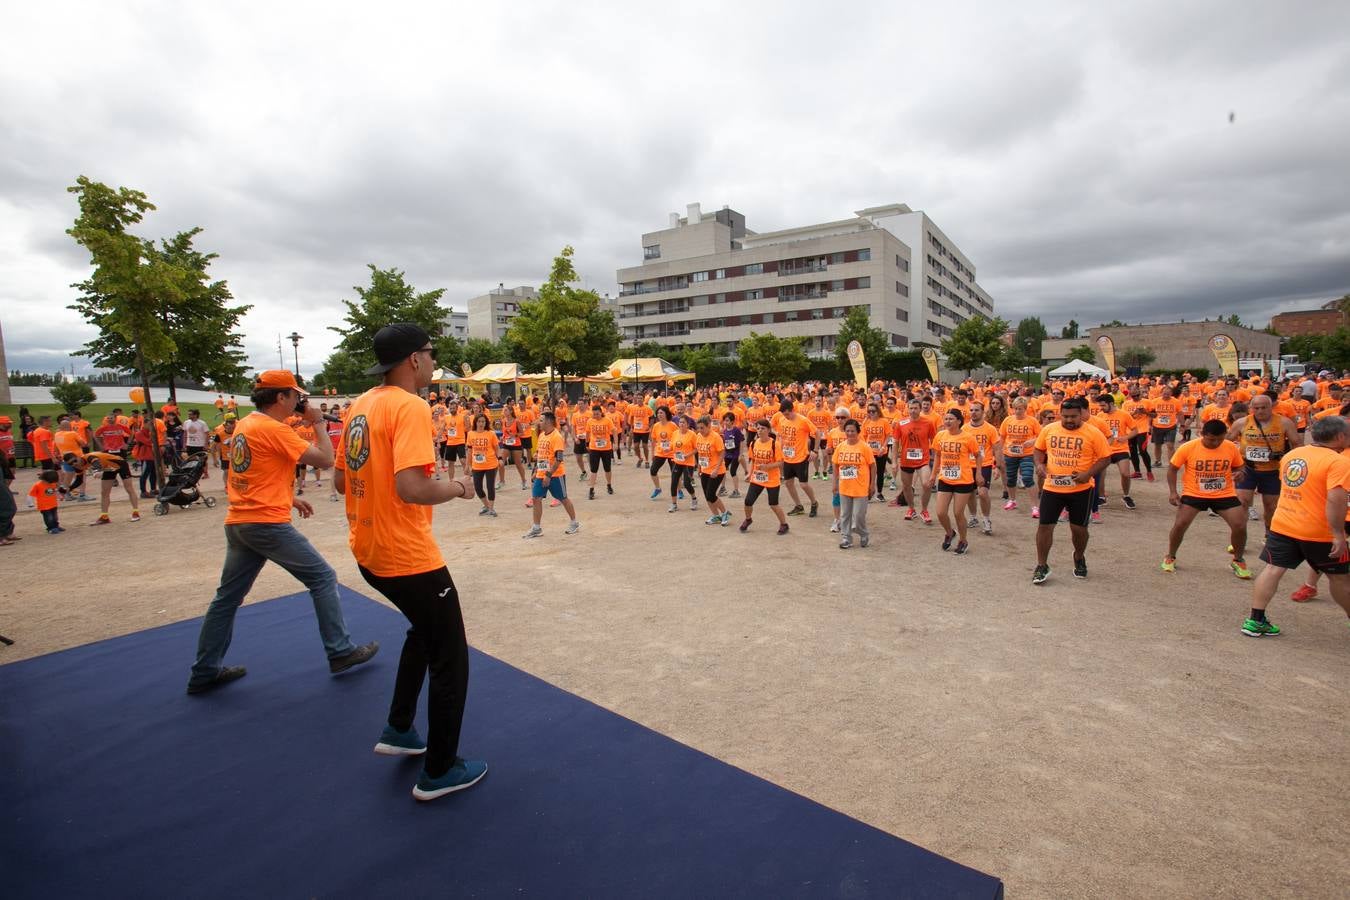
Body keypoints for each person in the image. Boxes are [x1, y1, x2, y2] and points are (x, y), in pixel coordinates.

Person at [332, 323, 487, 800]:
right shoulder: (410, 406)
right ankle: (440, 770)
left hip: (369, 548)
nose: (434, 361)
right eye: (431, 353)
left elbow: (341, 482)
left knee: (423, 633)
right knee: (450, 658)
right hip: (407, 556)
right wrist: (460, 488)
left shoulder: (361, 404)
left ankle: (400, 728)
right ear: (413, 360)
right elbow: (413, 488)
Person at [187, 369, 378, 695]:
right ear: (281, 397)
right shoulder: (275, 429)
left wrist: (287, 496)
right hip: (266, 523)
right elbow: (326, 460)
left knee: (226, 599)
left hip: (240, 521)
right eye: (295, 396)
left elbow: (251, 471)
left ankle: (205, 669)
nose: (299, 401)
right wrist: (318, 422)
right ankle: (340, 650)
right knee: (322, 577)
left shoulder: (248, 424)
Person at [1243, 416, 1350, 637]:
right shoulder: (1338, 462)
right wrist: (1338, 534)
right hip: (1317, 531)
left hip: (1284, 524)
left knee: (1272, 569)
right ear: (1340, 436)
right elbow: (1336, 499)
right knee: (1340, 577)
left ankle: (1255, 620)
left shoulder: (1292, 455)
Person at [1031, 397, 1112, 584]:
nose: (1069, 420)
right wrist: (1039, 465)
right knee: (1044, 526)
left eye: (1073, 416)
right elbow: (1038, 450)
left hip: (1081, 489)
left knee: (1079, 530)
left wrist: (1088, 473)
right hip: (1052, 487)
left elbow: (1105, 458)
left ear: (1082, 414)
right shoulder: (1049, 430)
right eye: (1065, 416)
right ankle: (1042, 565)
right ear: (1060, 414)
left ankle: (1078, 556)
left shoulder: (1093, 433)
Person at [1162, 420, 1250, 578]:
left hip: (1224, 493)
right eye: (1211, 439)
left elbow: (1239, 466)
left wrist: (1240, 473)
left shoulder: (1230, 447)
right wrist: (1173, 492)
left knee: (1240, 525)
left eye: (1220, 439)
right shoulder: (1188, 447)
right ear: (1202, 434)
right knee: (1180, 524)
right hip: (1195, 493)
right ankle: (1170, 556)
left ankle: (1238, 560)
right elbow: (1172, 469)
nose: (1216, 443)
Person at [1227, 393, 1298, 530]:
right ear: (1251, 408)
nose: (1260, 411)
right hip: (1247, 469)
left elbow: (1296, 444)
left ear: (1271, 407)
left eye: (1264, 407)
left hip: (1273, 470)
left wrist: (1290, 465)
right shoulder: (1242, 423)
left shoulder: (1284, 422)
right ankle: (1239, 536)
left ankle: (1269, 535)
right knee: (1242, 502)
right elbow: (1227, 442)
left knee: (1271, 506)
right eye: (1256, 408)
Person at [930, 409, 983, 554]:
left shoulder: (968, 438)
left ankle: (963, 540)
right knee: (940, 512)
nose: (947, 421)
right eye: (946, 418)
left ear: (959, 421)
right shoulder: (940, 436)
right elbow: (938, 457)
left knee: (958, 513)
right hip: (945, 478)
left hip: (963, 480)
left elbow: (978, 456)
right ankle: (949, 532)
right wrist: (933, 475)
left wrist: (978, 473)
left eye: (951, 419)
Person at [523, 411, 580, 538]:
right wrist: (537, 470)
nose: (539, 422)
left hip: (555, 475)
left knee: (563, 499)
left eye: (541, 420)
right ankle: (536, 528)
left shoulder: (557, 437)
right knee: (536, 498)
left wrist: (548, 475)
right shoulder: (542, 435)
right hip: (541, 474)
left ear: (548, 421)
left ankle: (574, 522)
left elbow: (559, 458)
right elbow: (541, 455)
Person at [833, 418, 876, 549]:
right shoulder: (841, 447)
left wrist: (872, 484)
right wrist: (835, 484)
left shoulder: (864, 447)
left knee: (858, 516)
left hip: (860, 488)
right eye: (847, 431)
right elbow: (835, 465)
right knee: (845, 515)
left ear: (858, 432)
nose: (850, 433)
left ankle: (863, 533)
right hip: (845, 487)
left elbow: (873, 466)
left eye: (852, 431)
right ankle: (846, 538)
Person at [740, 419, 789, 535]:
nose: (760, 431)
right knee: (748, 501)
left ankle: (784, 524)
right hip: (757, 478)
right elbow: (753, 460)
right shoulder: (754, 443)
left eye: (763, 428)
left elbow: (780, 462)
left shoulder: (774, 444)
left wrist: (768, 466)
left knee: (773, 504)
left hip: (772, 479)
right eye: (758, 428)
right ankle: (748, 519)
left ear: (768, 430)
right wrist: (750, 473)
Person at [773, 400, 818, 518]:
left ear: (792, 410)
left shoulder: (803, 420)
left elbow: (817, 433)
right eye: (783, 414)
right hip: (787, 457)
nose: (785, 416)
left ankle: (814, 503)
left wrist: (815, 451)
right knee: (788, 483)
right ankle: (799, 506)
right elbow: (782, 436)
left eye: (787, 414)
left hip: (801, 457)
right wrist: (780, 450)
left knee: (803, 484)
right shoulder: (782, 420)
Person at [893, 399, 935, 523]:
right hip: (906, 460)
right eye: (910, 408)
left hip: (923, 459)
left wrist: (937, 456)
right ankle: (911, 509)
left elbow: (935, 441)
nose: (913, 411)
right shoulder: (901, 423)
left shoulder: (928, 422)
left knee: (926, 484)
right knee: (906, 486)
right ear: (907, 409)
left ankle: (924, 510)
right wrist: (894, 462)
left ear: (920, 409)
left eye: (916, 408)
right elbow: (895, 443)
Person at [963, 401, 1001, 535]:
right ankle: (973, 517)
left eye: (976, 410)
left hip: (985, 464)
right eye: (971, 410)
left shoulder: (990, 429)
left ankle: (986, 519)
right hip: (968, 465)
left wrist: (997, 467)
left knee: (983, 493)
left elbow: (997, 448)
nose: (973, 413)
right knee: (969, 493)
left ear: (982, 412)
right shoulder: (965, 428)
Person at [999, 397, 1040, 512]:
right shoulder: (1008, 420)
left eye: (1020, 409)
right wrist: (999, 453)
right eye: (1015, 408)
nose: (1017, 411)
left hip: (1026, 454)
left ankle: (1035, 506)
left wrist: (1032, 441)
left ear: (1025, 409)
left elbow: (1041, 436)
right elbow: (1002, 437)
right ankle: (1012, 500)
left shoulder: (1032, 421)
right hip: (1010, 453)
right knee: (1010, 479)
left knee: (1027, 478)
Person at [694, 416, 730, 525]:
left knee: (711, 494)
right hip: (705, 469)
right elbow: (700, 452)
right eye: (698, 428)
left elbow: (722, 453)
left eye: (702, 428)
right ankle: (716, 515)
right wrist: (699, 467)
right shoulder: (699, 436)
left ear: (709, 426)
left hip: (716, 471)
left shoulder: (715, 437)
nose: (700, 430)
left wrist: (716, 469)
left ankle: (725, 513)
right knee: (707, 495)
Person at [467, 413, 500, 516]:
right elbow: (469, 450)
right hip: (477, 465)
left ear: (486, 423)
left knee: (490, 486)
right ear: (475, 422)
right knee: (477, 487)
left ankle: (491, 508)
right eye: (479, 421)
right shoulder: (470, 434)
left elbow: (496, 448)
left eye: (483, 421)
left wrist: (499, 459)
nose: (481, 423)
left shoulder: (491, 434)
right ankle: (486, 506)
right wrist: (468, 465)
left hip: (491, 464)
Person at [667, 415, 698, 512]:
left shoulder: (692, 435)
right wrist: (667, 448)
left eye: (683, 422)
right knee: (674, 482)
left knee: (687, 483)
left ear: (688, 424)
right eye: (680, 422)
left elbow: (697, 449)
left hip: (688, 462)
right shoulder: (675, 433)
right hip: (677, 461)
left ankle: (694, 499)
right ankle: (674, 504)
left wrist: (687, 455)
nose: (681, 424)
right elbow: (672, 446)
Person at [584, 404, 616, 500]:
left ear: (601, 413)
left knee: (607, 468)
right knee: (594, 469)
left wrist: (616, 443)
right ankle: (591, 489)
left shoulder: (607, 420)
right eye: (594, 414)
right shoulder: (590, 421)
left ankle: (609, 485)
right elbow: (587, 432)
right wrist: (587, 443)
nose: (595, 416)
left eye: (597, 414)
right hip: (594, 448)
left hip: (606, 448)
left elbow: (614, 431)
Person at [647, 406, 677, 500]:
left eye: (661, 413)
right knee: (653, 471)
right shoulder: (656, 426)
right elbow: (653, 441)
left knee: (675, 473)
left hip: (672, 452)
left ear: (666, 414)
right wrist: (652, 453)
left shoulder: (672, 425)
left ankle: (679, 490)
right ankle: (657, 488)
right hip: (660, 452)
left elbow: (677, 438)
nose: (659, 415)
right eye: (658, 413)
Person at [720, 412, 744, 498]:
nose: (725, 422)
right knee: (722, 470)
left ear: (732, 421)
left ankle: (736, 491)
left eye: (727, 421)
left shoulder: (736, 430)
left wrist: (741, 454)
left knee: (733, 471)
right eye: (724, 421)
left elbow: (741, 441)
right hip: (727, 454)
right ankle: (723, 488)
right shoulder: (724, 430)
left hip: (735, 454)